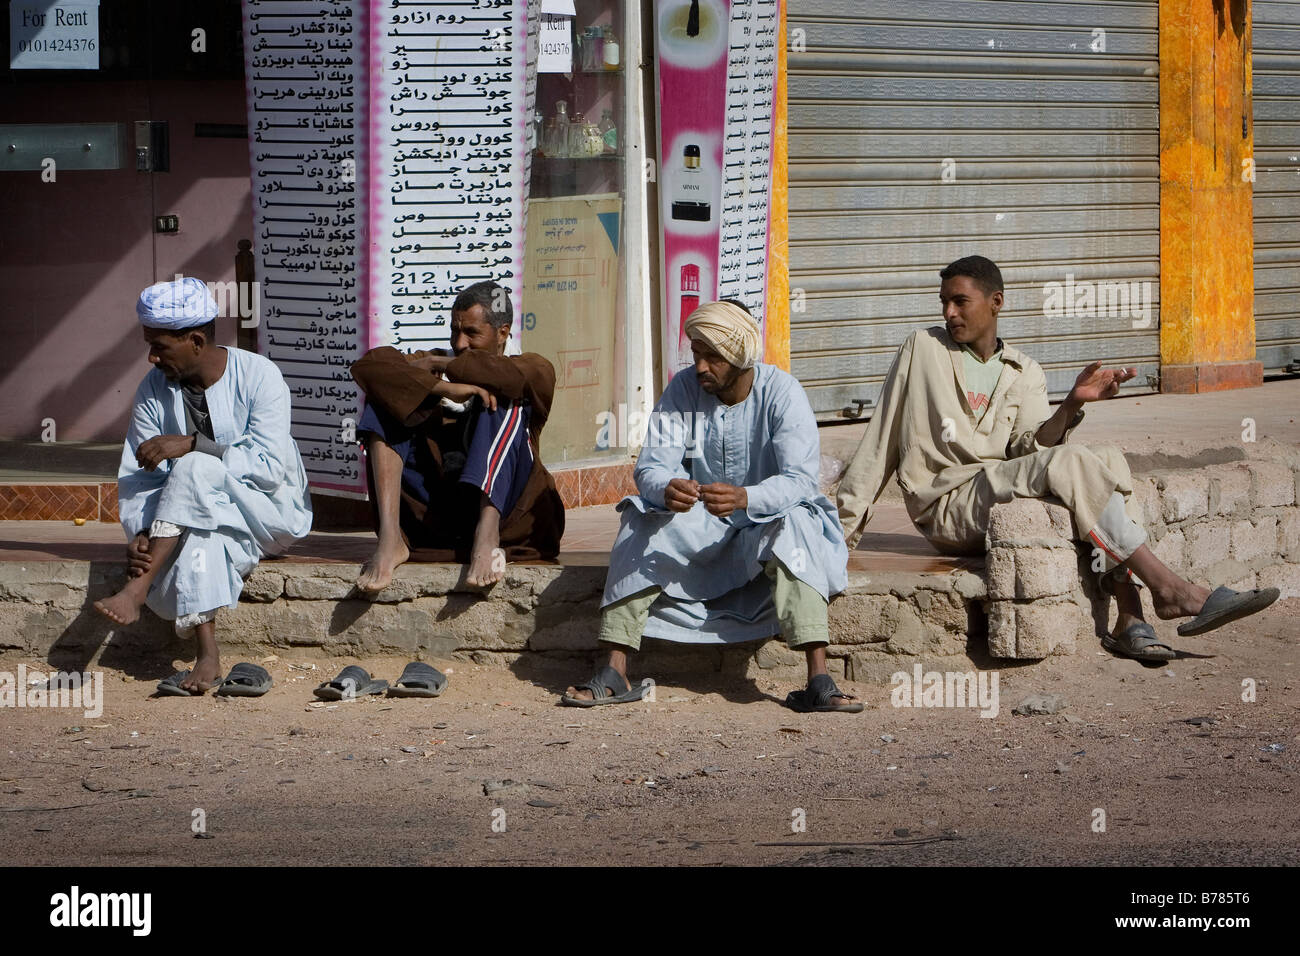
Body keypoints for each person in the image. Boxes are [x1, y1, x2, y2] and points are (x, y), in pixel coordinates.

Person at [836, 255, 1280, 662]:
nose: (949, 313)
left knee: (1104, 455)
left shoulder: (1024, 371)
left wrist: (1070, 405)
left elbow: (1028, 449)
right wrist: (838, 535)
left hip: (997, 491)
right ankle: (1170, 588)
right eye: (944, 303)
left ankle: (1130, 616)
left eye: (959, 301)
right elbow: (880, 442)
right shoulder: (923, 349)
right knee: (1072, 464)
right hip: (948, 507)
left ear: (996, 303)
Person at [563, 301, 860, 712]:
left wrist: (747, 497)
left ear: (741, 354)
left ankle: (818, 677)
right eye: (696, 354)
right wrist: (666, 488)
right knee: (639, 517)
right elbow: (651, 466)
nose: (701, 366)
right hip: (700, 525)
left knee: (798, 522)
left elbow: (800, 480)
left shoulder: (782, 393)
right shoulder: (682, 389)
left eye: (713, 356)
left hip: (764, 522)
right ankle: (614, 669)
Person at [94, 277, 313, 693]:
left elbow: (268, 467)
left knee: (194, 466)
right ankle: (207, 654)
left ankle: (138, 588)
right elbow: (138, 473)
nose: (152, 359)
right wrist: (143, 529)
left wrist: (194, 444)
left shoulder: (260, 376)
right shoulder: (153, 390)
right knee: (201, 531)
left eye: (159, 347)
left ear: (195, 340)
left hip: (268, 512)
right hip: (191, 517)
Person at [349, 281, 564, 591]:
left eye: (472, 334)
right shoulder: (435, 363)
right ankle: (391, 537)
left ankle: (486, 535)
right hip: (436, 518)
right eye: (454, 331)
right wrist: (442, 387)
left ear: (503, 333)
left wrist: (440, 365)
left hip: (508, 520)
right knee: (386, 397)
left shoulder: (532, 366)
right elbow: (369, 367)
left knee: (504, 398)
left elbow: (506, 376)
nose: (460, 342)